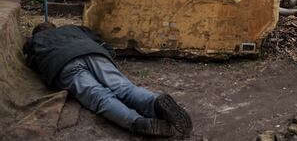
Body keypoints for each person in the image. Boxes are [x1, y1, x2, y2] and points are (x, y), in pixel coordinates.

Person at [23, 23, 193, 138]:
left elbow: (32, 62)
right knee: (124, 87)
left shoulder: (36, 40)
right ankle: (155, 102)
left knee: (98, 96)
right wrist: (107, 55)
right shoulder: (73, 28)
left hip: (63, 63)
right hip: (93, 52)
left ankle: (137, 122)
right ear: (54, 26)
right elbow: (101, 41)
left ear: (36, 33)